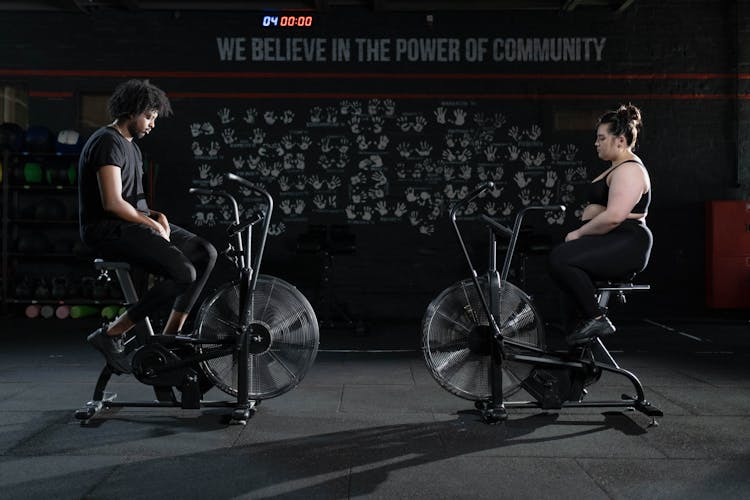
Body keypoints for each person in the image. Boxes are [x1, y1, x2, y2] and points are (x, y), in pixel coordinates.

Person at [78, 79, 217, 373]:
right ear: (132, 111)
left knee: (204, 252)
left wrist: (158, 217)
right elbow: (113, 204)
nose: (153, 124)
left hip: (132, 224)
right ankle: (111, 333)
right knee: (183, 272)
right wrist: (150, 225)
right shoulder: (107, 142)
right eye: (150, 116)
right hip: (107, 230)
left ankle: (168, 338)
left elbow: (134, 203)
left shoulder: (133, 149)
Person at [548, 103, 652, 346]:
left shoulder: (629, 171)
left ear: (620, 140)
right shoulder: (616, 168)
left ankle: (596, 317)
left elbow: (615, 216)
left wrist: (580, 233)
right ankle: (574, 370)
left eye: (602, 138)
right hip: (614, 238)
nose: (596, 143)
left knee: (561, 258)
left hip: (628, 241)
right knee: (566, 283)